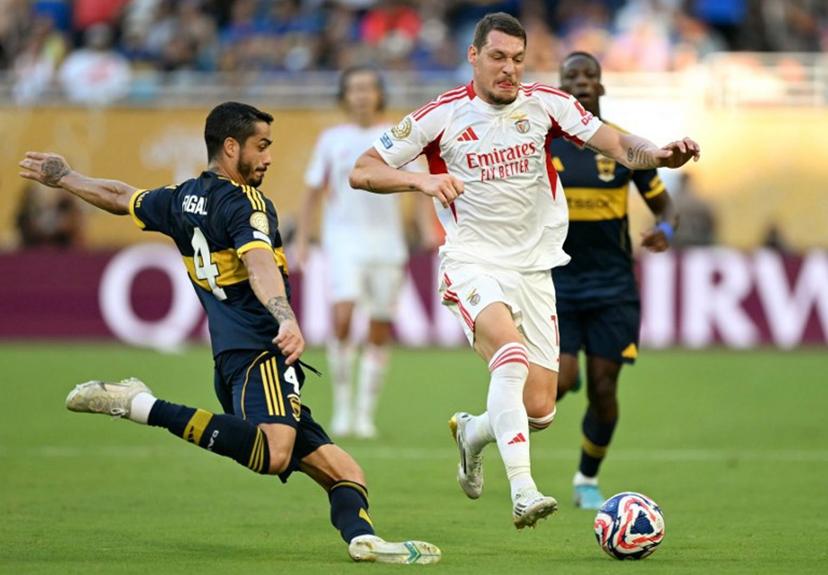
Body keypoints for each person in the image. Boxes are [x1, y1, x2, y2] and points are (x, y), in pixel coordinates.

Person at [17, 101, 440, 565]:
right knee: (275, 454)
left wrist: (66, 178)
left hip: (232, 360)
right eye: (261, 146)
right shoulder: (247, 203)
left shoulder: (182, 198)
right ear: (230, 146)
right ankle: (141, 404)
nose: (268, 157)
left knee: (346, 472)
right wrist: (286, 317)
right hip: (262, 352)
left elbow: (122, 196)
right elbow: (259, 262)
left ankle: (362, 539)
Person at [349, 12, 699, 529]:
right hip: (472, 261)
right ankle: (524, 491)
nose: (509, 69)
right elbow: (363, 170)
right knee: (508, 356)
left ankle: (473, 434)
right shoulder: (440, 115)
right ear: (474, 57)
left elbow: (621, 145)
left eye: (517, 58)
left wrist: (661, 156)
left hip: (536, 271)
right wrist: (419, 183)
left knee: (540, 410)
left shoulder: (549, 106)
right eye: (497, 57)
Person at [550, 51, 679, 509]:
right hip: (558, 284)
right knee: (559, 384)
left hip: (613, 287)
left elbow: (666, 208)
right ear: (559, 87)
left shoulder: (624, 146)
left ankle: (587, 478)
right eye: (572, 76)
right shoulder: (542, 146)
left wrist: (664, 231)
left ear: (602, 87)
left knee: (604, 388)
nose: (582, 82)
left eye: (590, 76)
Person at [296, 66, 433, 439]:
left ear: (378, 94)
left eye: (367, 89)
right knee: (342, 317)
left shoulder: (395, 137)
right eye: (353, 88)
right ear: (344, 95)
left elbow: (421, 185)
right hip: (343, 240)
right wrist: (304, 238)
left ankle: (364, 413)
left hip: (388, 243)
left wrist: (426, 229)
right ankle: (342, 406)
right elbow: (312, 191)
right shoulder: (331, 139)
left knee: (379, 327)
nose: (360, 95)